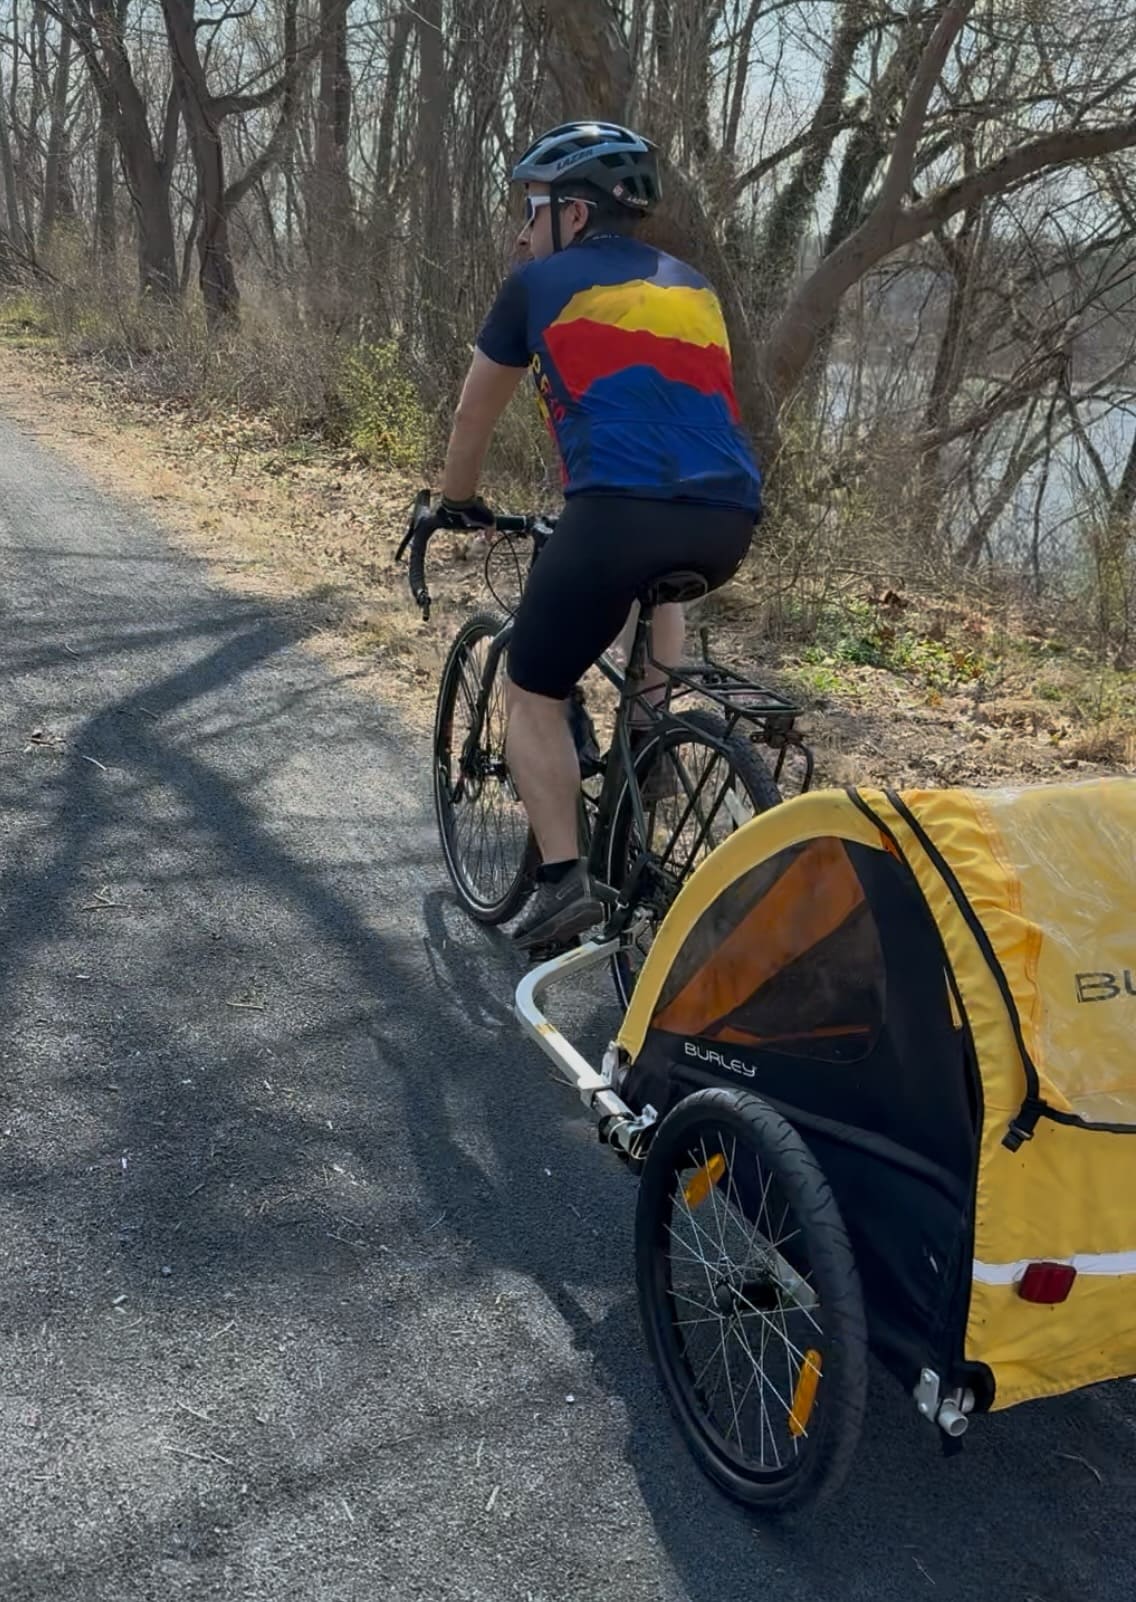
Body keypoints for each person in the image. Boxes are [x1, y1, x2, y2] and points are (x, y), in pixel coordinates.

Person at [434, 120, 762, 951]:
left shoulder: (538, 286)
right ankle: (651, 742)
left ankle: (562, 880)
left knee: (533, 687)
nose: (520, 230)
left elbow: (476, 410)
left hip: (615, 513)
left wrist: (456, 500)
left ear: (573, 215)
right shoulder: (693, 287)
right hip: (729, 517)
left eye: (532, 208)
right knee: (660, 582)